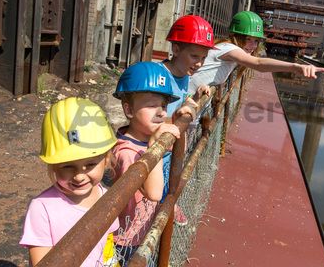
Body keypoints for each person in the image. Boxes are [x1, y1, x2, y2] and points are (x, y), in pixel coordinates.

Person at [20, 97, 120, 266]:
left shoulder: (106, 196)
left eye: (90, 164)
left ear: (106, 159)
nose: (79, 176)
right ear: (53, 166)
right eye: (67, 166)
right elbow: (41, 262)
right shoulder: (42, 208)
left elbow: (108, 247)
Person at [110, 62, 181, 265]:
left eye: (164, 106)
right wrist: (154, 146)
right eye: (151, 105)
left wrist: (186, 109)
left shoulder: (143, 136)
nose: (161, 113)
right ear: (129, 109)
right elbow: (155, 193)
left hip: (143, 230)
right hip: (126, 240)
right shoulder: (126, 152)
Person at [158, 15, 218, 225]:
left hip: (171, 149)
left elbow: (179, 103)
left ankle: (168, 206)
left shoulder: (184, 75)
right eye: (194, 56)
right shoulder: (159, 76)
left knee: (168, 187)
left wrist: (195, 97)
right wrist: (174, 119)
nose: (200, 63)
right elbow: (147, 118)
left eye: (203, 57)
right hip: (155, 149)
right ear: (175, 49)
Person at [188, 10, 324, 93]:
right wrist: (295, 67)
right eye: (248, 39)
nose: (253, 45)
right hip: (178, 104)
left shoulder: (227, 49)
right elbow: (258, 63)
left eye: (256, 41)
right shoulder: (230, 48)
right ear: (236, 36)